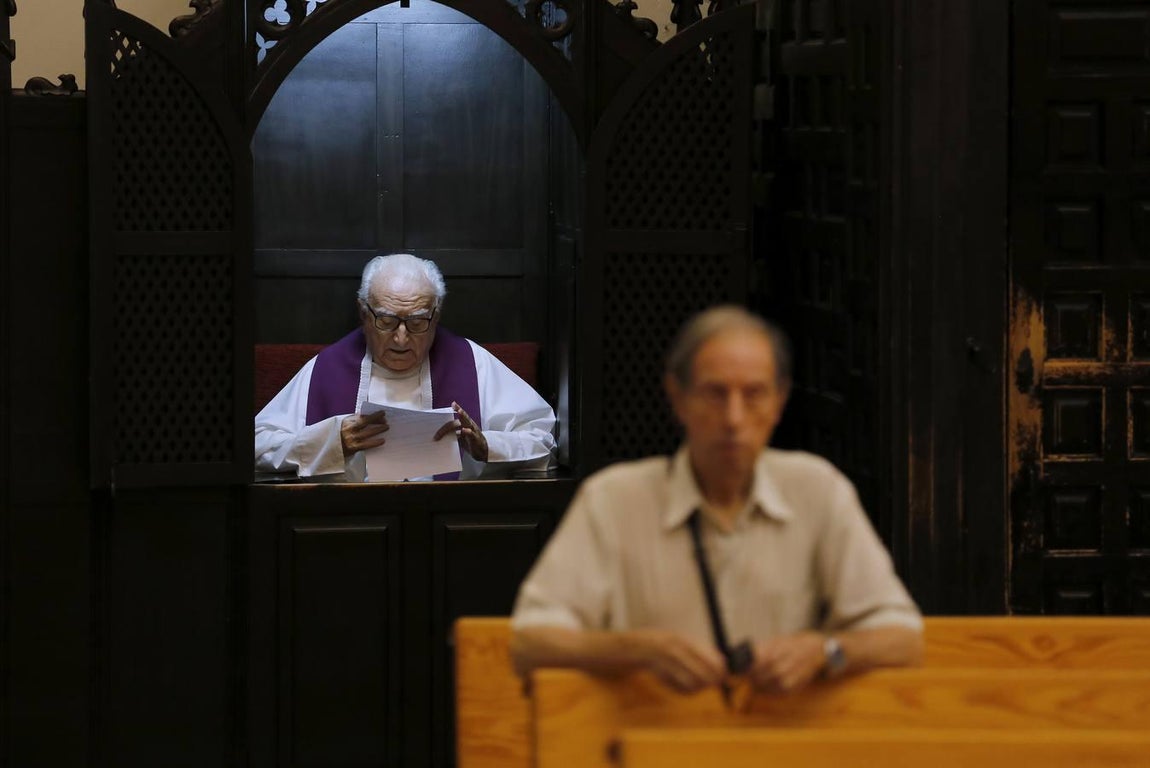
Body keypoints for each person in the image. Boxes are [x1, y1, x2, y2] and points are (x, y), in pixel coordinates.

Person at [510, 305, 921, 694]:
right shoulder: (615, 500)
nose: (734, 418)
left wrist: (825, 650)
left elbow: (902, 635)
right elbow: (530, 640)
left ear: (779, 401)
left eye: (754, 393)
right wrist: (637, 650)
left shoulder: (818, 491)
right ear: (677, 396)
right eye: (715, 393)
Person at [255, 253, 557, 481]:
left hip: (452, 521)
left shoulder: (472, 363)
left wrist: (487, 446)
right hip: (349, 523)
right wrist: (332, 442)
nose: (401, 338)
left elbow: (543, 439)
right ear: (363, 313)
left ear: (436, 317)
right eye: (386, 322)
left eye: (417, 322)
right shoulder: (327, 369)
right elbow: (258, 448)